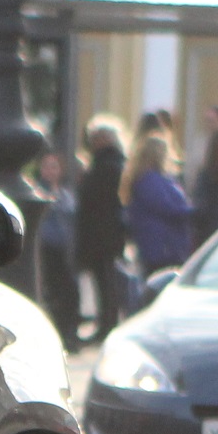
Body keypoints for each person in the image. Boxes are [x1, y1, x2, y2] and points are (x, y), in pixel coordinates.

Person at [75, 115, 128, 341]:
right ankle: (106, 322)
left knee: (106, 281)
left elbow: (95, 197)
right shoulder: (114, 163)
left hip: (103, 232)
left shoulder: (107, 165)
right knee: (105, 281)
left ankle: (107, 324)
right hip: (108, 231)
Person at [123, 130, 192, 275]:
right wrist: (195, 213)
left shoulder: (153, 179)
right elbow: (167, 208)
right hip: (162, 247)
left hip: (159, 246)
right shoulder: (151, 180)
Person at [36, 153, 82, 351]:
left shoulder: (66, 193)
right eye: (47, 167)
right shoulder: (38, 192)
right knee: (53, 294)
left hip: (67, 251)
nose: (50, 171)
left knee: (70, 293)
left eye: (54, 167)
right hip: (48, 250)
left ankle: (70, 334)